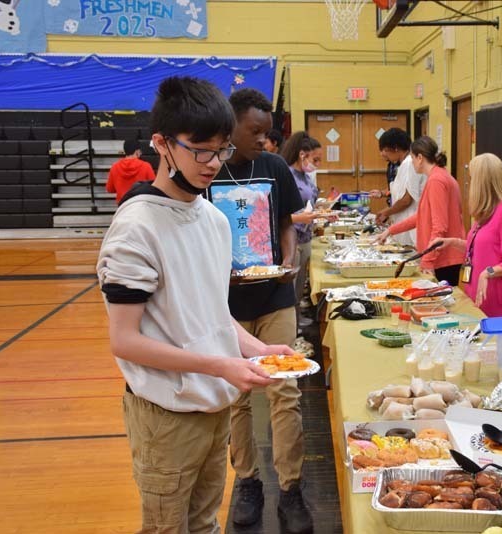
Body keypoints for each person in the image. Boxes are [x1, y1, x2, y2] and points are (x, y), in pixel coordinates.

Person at [96, 76, 285, 533]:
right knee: (167, 527)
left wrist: (253, 350)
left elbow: (212, 312)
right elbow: (125, 342)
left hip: (214, 405)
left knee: (204, 523)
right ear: (161, 144)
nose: (213, 163)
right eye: (200, 149)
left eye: (221, 149)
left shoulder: (214, 218)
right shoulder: (136, 228)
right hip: (166, 415)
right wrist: (220, 366)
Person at [206, 89, 313, 532]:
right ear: (229, 125)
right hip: (225, 304)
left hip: (274, 298)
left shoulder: (273, 168)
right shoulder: (208, 173)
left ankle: (291, 489)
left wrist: (289, 261)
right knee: (237, 398)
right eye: (254, 132)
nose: (263, 141)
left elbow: (287, 222)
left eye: (268, 134)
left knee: (284, 393)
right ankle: (248, 481)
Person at [427, 153, 502, 316]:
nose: (469, 183)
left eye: (472, 179)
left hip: (498, 301)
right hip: (477, 294)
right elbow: (479, 248)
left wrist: (488, 272)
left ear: (482, 182)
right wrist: (451, 242)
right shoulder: (486, 212)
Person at [375, 136, 465, 285]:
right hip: (442, 256)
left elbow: (440, 227)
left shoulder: (437, 180)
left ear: (420, 158)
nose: (412, 162)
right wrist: (390, 230)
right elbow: (422, 216)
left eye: (412, 157)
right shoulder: (439, 176)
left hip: (443, 258)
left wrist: (428, 260)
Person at [280, 131, 333, 330]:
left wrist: (322, 212)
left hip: (306, 237)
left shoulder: (305, 176)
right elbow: (279, 216)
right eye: (315, 159)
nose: (317, 164)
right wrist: (305, 217)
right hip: (291, 237)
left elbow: (308, 204)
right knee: (289, 286)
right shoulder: (286, 174)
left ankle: (296, 318)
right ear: (302, 155)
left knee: (300, 284)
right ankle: (288, 324)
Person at [372, 128, 425, 247]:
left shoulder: (410, 163)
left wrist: (386, 212)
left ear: (395, 148)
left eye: (385, 150)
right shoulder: (403, 164)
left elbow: (406, 200)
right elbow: (399, 192)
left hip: (411, 223)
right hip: (403, 222)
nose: (383, 154)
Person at [105, 138, 155, 204]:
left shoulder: (115, 167)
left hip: (123, 205)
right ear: (137, 151)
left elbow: (110, 189)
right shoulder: (146, 166)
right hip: (141, 204)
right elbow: (154, 187)